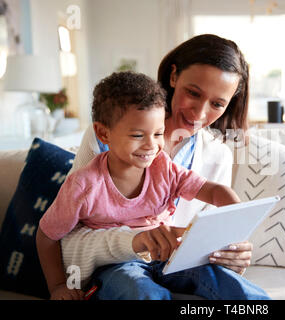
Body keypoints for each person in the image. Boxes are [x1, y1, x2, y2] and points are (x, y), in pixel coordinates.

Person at [47, 34, 269, 300]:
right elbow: (67, 237)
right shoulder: (111, 133)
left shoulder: (216, 156)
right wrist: (133, 241)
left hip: (174, 266)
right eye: (193, 93)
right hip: (118, 267)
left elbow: (205, 235)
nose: (199, 114)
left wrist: (231, 248)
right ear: (174, 76)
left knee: (238, 290)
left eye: (217, 104)